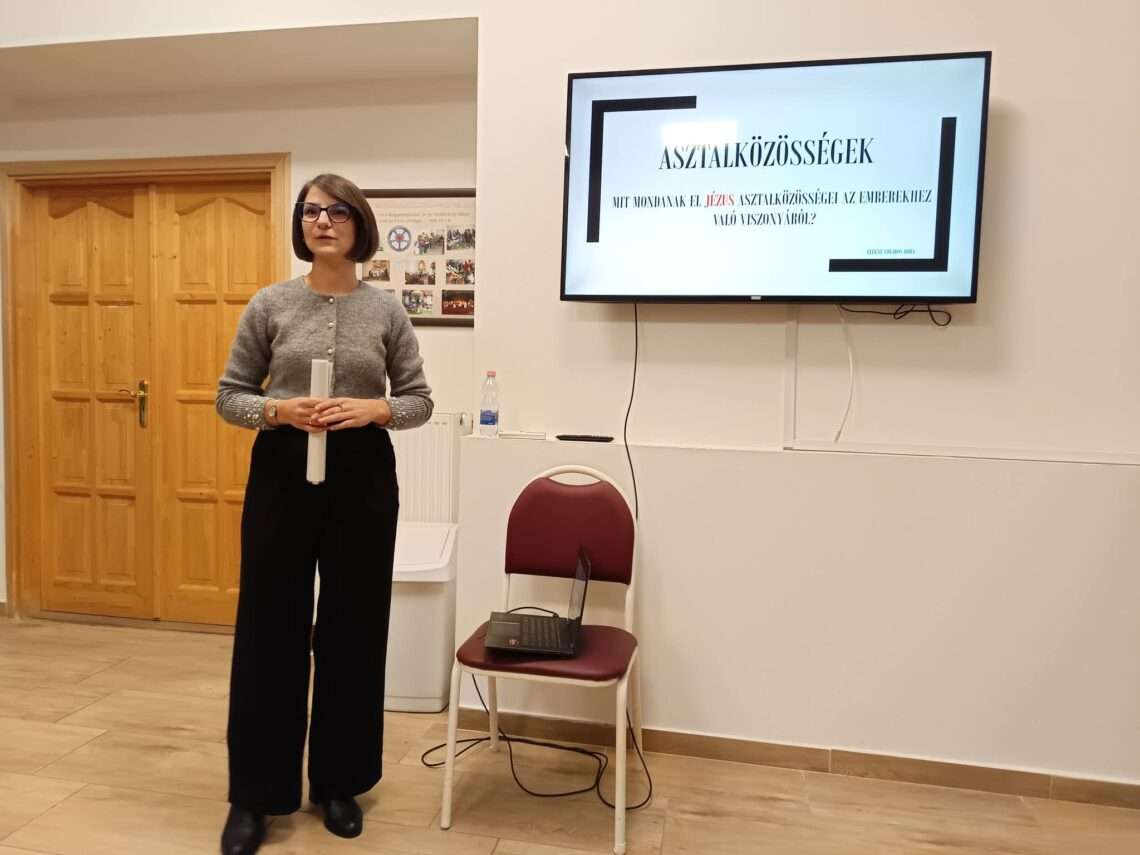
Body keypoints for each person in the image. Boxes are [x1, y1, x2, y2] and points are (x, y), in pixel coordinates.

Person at [215, 174, 433, 855]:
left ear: (359, 224)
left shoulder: (386, 311)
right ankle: (256, 795)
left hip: (362, 474)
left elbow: (419, 400)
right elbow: (229, 396)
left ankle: (340, 782)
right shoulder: (270, 304)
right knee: (269, 628)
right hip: (282, 471)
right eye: (311, 211)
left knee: (353, 626)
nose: (323, 221)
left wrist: (375, 408)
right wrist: (280, 409)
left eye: (337, 211)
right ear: (300, 225)